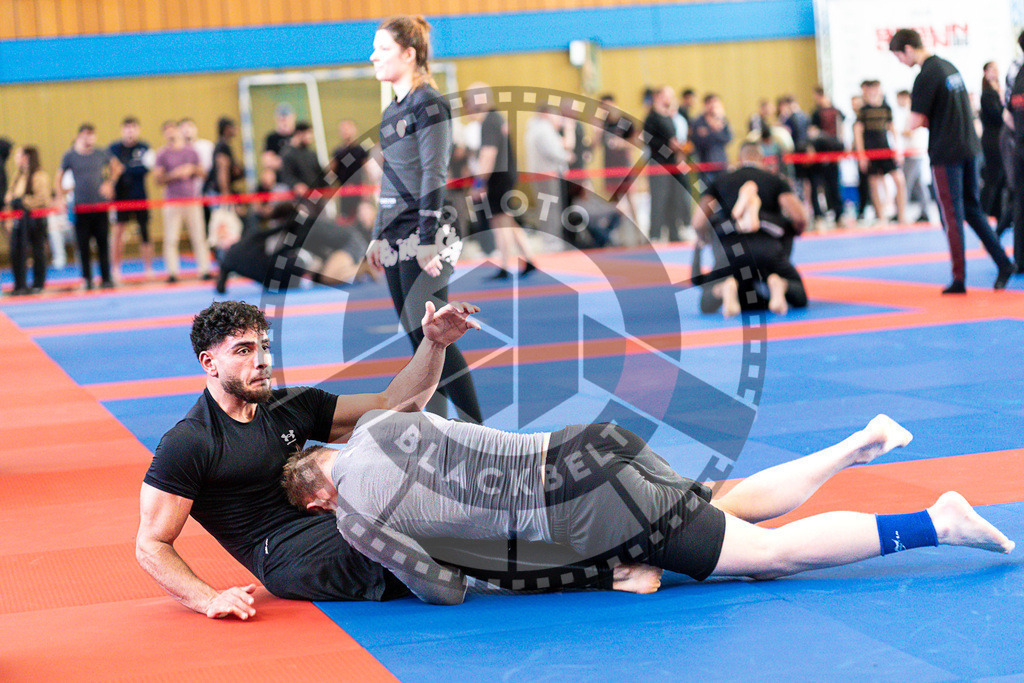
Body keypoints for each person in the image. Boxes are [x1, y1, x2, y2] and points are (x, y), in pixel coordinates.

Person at [137, 299, 627, 619]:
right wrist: (207, 599)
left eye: (264, 347)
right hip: (289, 555)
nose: (261, 359)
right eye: (243, 351)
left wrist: (433, 344)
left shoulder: (288, 405)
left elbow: (396, 403)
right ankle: (602, 570)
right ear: (210, 363)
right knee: (432, 539)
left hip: (337, 513)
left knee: (443, 502)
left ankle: (599, 541)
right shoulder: (191, 442)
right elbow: (152, 544)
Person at [283, 408, 1013, 606]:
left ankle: (935, 521)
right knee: (721, 503)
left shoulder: (349, 515)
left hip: (584, 507)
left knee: (766, 558)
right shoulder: (378, 423)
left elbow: (441, 589)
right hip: (587, 442)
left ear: (317, 496)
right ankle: (859, 441)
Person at [365, 16, 484, 423]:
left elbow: (434, 172)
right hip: (397, 233)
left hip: (433, 231)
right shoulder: (391, 109)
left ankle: (475, 430)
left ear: (409, 53)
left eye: (382, 49)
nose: (373, 56)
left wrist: (428, 237)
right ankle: (433, 427)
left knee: (434, 333)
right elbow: (391, 176)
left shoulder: (428, 102)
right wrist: (377, 233)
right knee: (420, 340)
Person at [890, 28, 1016, 293]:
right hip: (969, 148)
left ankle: (959, 278)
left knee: (952, 216)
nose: (900, 62)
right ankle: (1003, 262)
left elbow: (913, 122)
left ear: (908, 49)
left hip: (946, 153)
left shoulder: (926, 74)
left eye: (898, 56)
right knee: (972, 210)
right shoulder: (948, 66)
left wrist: (900, 128)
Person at [692, 141, 808, 317]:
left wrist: (705, 239)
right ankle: (779, 284)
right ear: (762, 159)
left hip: (731, 250)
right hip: (767, 249)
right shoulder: (775, 180)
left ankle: (724, 288)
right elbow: (799, 217)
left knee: (706, 303)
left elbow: (698, 222)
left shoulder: (720, 180)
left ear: (739, 159)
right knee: (799, 296)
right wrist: (792, 233)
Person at [465, 81, 537, 279]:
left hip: (497, 177)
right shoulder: (497, 118)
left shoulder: (489, 121)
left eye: (468, 101)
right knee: (507, 219)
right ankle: (529, 259)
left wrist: (479, 183)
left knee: (500, 221)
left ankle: (505, 265)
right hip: (504, 175)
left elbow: (488, 155)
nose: (466, 106)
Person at [56, 123, 122, 290]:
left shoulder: (101, 152)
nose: (89, 138)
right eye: (85, 135)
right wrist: (59, 198)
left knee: (103, 243)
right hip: (80, 207)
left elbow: (117, 167)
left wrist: (110, 183)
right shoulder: (70, 156)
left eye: (92, 135)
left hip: (100, 206)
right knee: (83, 245)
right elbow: (58, 177)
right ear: (79, 136)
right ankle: (87, 279)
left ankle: (106, 278)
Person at [153, 120, 210, 283]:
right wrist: (174, 174)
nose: (170, 134)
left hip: (192, 199)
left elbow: (203, 172)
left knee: (199, 236)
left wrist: (192, 169)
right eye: (167, 131)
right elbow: (158, 179)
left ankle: (204, 269)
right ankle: (172, 272)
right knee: (171, 238)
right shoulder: (162, 154)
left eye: (172, 130)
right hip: (172, 201)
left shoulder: (191, 151)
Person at [853, 80, 907, 226]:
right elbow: (858, 132)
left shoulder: (886, 108)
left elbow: (892, 128)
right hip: (871, 150)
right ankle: (881, 216)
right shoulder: (862, 110)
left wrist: (897, 150)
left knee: (899, 180)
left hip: (886, 149)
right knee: (874, 182)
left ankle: (901, 215)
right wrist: (862, 155)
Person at [109, 116, 155, 281]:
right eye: (127, 128)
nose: (130, 131)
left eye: (133, 128)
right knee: (118, 232)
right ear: (122, 130)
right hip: (120, 197)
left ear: (138, 129)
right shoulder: (114, 148)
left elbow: (145, 168)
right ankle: (115, 269)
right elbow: (111, 169)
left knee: (144, 233)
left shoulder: (144, 147)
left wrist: (125, 168)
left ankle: (149, 268)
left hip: (140, 196)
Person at [643, 86, 689, 243]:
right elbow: (650, 140)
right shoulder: (652, 118)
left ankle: (673, 233)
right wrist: (668, 148)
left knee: (673, 200)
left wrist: (677, 149)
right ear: (659, 96)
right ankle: (655, 234)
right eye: (668, 96)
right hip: (658, 165)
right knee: (659, 201)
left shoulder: (669, 116)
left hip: (672, 165)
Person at [4, 146, 51, 295]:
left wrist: (23, 201)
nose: (16, 159)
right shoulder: (18, 175)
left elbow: (43, 198)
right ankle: (20, 285)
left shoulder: (39, 176)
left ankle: (38, 283)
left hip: (34, 220)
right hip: (19, 220)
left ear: (26, 157)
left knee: (37, 251)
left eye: (19, 155)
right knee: (16, 251)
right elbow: (9, 197)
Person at [524, 104, 570, 240]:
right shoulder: (544, 129)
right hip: (547, 174)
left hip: (539, 174)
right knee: (551, 209)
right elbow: (555, 152)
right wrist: (567, 156)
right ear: (546, 114)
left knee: (545, 209)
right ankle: (552, 240)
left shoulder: (534, 127)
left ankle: (549, 239)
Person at [894, 90, 932, 223]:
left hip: (913, 152)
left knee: (906, 183)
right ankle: (925, 211)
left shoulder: (912, 113)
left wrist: (899, 132)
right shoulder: (909, 112)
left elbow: (911, 131)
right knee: (918, 184)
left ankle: (900, 212)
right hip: (914, 152)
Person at [979, 62, 1006, 225]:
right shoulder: (988, 94)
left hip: (999, 139)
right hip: (992, 141)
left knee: (1000, 178)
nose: (996, 72)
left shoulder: (996, 92)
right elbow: (998, 115)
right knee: (993, 177)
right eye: (992, 69)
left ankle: (996, 213)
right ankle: (984, 212)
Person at [329, 118, 370, 222]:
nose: (346, 131)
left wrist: (367, 189)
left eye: (348, 128)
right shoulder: (338, 152)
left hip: (359, 191)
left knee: (361, 219)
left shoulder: (361, 150)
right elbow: (332, 172)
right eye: (343, 129)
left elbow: (367, 170)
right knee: (345, 218)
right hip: (344, 192)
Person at [691, 93, 733, 185]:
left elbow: (728, 138)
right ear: (705, 105)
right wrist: (713, 129)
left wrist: (712, 131)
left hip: (721, 163)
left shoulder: (722, 120)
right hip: (705, 165)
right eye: (711, 103)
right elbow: (699, 141)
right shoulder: (698, 121)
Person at [279, 121, 321, 195]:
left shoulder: (311, 154)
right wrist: (296, 185)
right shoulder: (288, 154)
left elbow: (319, 174)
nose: (310, 136)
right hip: (297, 196)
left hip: (315, 195)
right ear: (299, 134)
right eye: (307, 133)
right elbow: (286, 175)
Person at [263, 103, 296, 181]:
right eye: (281, 119)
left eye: (286, 118)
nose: (284, 122)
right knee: (267, 175)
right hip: (280, 178)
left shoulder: (297, 135)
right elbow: (267, 162)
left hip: (298, 177)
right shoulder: (272, 138)